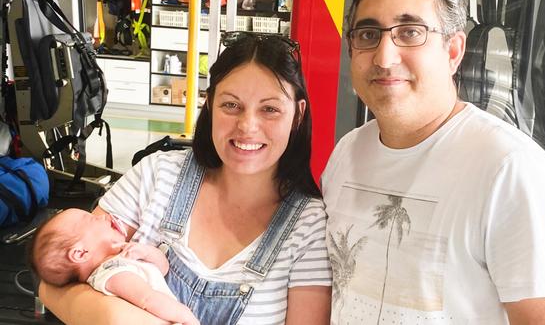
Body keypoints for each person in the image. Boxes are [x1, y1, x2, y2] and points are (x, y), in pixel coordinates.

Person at [321, 0, 545, 324]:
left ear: (453, 51)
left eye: (410, 32)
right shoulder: (346, 153)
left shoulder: (514, 173)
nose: (384, 57)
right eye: (368, 35)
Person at [39, 32, 332, 325]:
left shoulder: (309, 225)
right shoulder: (157, 175)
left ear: (297, 115)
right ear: (210, 104)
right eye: (231, 105)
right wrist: (115, 316)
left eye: (270, 109)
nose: (248, 126)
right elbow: (55, 279)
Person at [27, 208, 199, 325]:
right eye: (92, 218)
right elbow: (148, 299)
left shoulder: (120, 263)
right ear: (80, 253)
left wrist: (146, 253)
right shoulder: (113, 274)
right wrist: (185, 316)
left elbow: (163, 269)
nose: (103, 216)